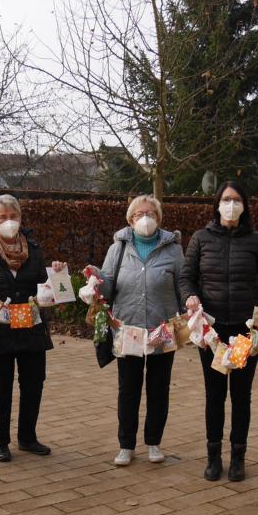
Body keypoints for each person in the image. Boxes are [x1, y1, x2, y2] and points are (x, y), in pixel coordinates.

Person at [179, 181, 258, 482]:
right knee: (214, 394)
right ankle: (213, 457)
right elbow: (186, 277)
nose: (231, 204)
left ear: (245, 205)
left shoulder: (256, 240)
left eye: (236, 199)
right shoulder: (201, 238)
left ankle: (238, 457)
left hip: (246, 331)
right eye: (226, 199)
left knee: (241, 394)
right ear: (217, 204)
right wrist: (189, 297)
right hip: (213, 331)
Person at [0, 195, 66, 462]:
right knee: (0, 386)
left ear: (21, 219)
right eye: (2, 217)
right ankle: (0, 441)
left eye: (13, 216)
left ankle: (27, 437)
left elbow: (45, 286)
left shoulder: (33, 248)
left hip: (31, 325)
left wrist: (56, 273)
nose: (9, 222)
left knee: (34, 382)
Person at [96, 195, 184, 466]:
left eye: (150, 213)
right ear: (130, 219)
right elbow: (108, 284)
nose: (144, 218)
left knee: (159, 388)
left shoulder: (173, 249)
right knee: (128, 388)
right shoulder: (118, 248)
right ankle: (126, 445)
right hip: (128, 329)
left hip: (162, 328)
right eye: (138, 214)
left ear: (158, 218)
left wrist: (191, 318)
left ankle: (154, 443)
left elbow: (183, 286)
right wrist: (96, 283)